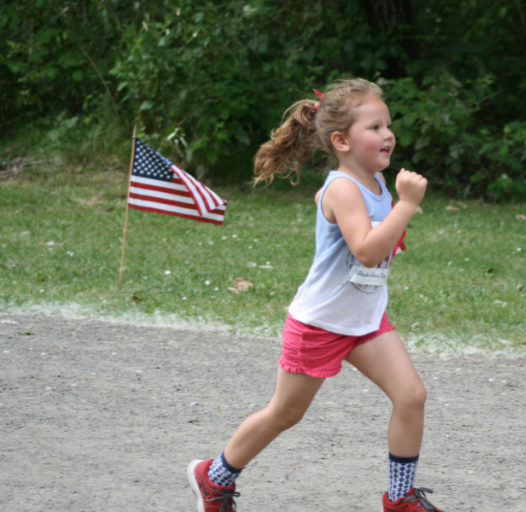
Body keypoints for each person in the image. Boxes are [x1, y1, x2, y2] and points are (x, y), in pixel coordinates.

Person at [187, 78, 443, 512]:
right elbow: (365, 250)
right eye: (375, 127)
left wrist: (397, 205)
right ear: (341, 140)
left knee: (411, 395)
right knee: (285, 414)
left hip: (363, 319)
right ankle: (213, 478)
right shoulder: (342, 188)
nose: (388, 135)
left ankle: (399, 498)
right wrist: (408, 205)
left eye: (388, 125)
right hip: (319, 324)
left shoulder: (380, 184)